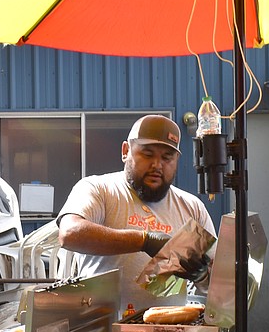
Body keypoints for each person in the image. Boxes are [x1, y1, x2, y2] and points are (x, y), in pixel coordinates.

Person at [56, 114, 216, 313]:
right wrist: (144, 240)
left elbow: (217, 284)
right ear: (126, 151)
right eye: (147, 154)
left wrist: (201, 275)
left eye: (167, 157)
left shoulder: (192, 208)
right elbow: (70, 234)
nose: (157, 165)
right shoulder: (99, 189)